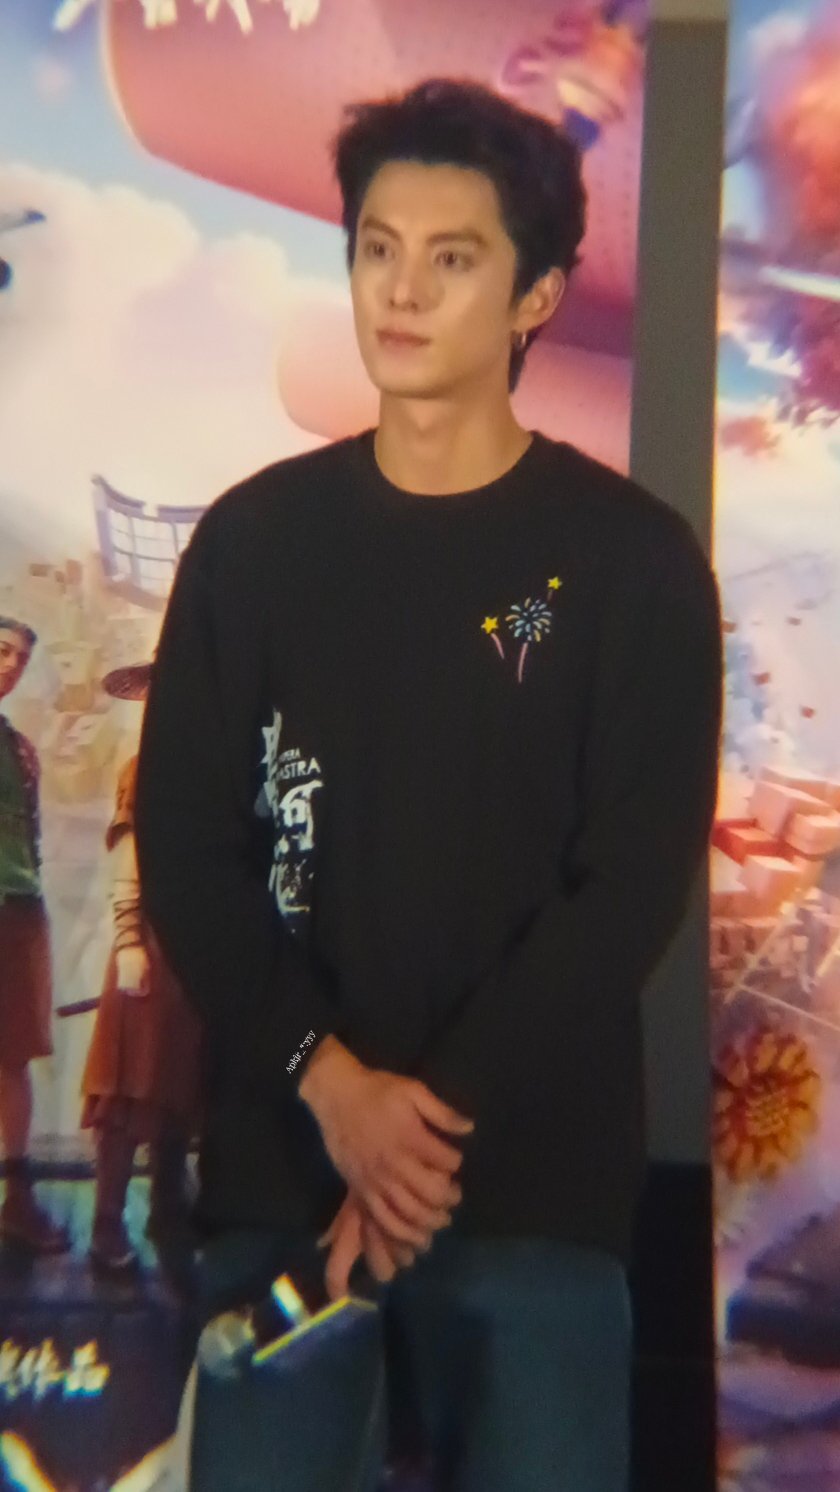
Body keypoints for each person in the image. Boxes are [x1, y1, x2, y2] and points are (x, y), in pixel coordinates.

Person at [134, 78, 723, 1492]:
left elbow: (629, 887)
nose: (400, 291)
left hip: (532, 1193)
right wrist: (333, 1087)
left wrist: (421, 1127)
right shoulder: (255, 543)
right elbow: (188, 845)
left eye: (452, 258)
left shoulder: (632, 562)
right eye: (376, 249)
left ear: (538, 295)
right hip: (285, 1177)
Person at [81, 663, 202, 1276]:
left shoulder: (215, 771)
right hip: (148, 945)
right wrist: (129, 938)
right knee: (126, 1088)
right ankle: (106, 1224)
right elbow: (129, 855)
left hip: (195, 951)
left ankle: (168, 1209)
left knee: (177, 1082)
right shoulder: (143, 770)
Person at [0, 617, 69, 1253]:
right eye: (2, 651)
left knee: (13, 1054)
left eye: (19, 658)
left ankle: (16, 1205)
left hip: (17, 907)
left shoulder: (19, 748)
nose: (10, 666)